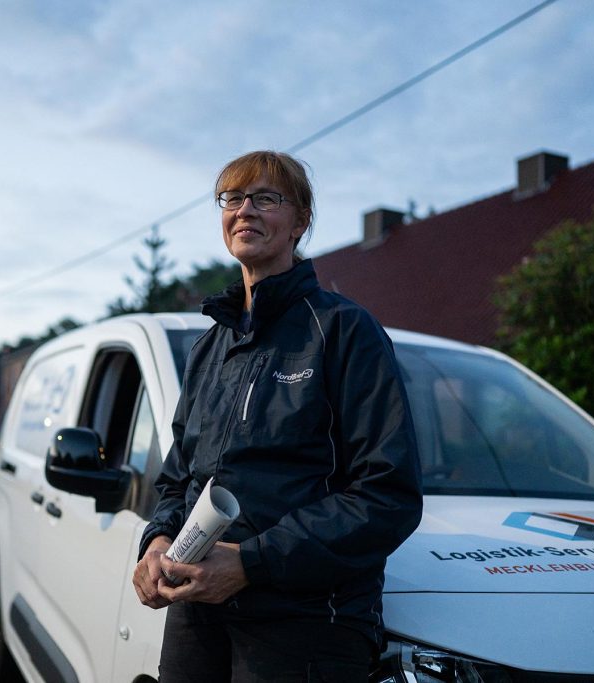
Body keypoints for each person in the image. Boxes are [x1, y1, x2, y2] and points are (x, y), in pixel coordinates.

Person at [132, 150, 423, 682]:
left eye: (266, 198)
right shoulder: (209, 347)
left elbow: (388, 495)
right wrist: (156, 542)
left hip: (306, 625)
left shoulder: (343, 331)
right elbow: (179, 479)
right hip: (197, 614)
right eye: (233, 198)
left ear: (300, 222)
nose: (245, 210)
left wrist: (251, 563)